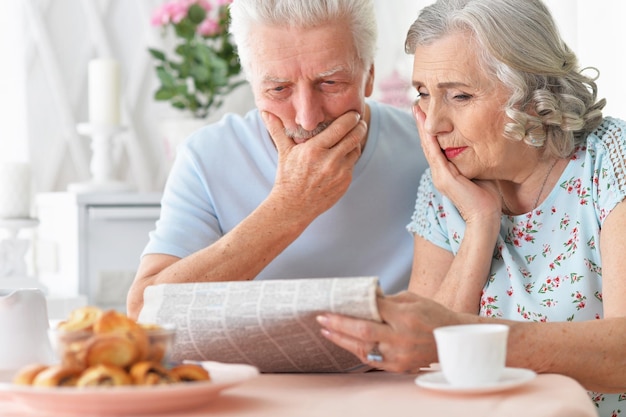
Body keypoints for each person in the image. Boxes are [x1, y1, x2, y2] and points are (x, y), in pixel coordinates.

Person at [316, 1, 626, 416]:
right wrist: (481, 222)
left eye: (459, 95)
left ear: (536, 95)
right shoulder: (444, 186)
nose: (431, 123)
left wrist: (459, 335)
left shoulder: (609, 158)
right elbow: (419, 364)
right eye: (424, 94)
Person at [127, 0, 427, 318]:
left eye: (330, 83)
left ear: (369, 76)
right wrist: (289, 208)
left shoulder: (425, 149)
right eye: (279, 89)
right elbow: (143, 311)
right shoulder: (205, 157)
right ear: (253, 84)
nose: (307, 118)